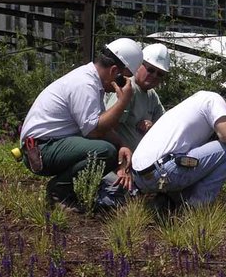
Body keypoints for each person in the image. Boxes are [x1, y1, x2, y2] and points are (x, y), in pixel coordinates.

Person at [19, 38, 143, 207]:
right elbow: (95, 131)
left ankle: (71, 189)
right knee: (105, 151)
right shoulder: (85, 84)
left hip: (48, 145)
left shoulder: (91, 81)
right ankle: (59, 191)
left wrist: (122, 144)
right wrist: (123, 101)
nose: (124, 85)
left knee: (110, 149)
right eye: (124, 80)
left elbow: (101, 126)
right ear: (115, 71)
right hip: (41, 149)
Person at [131, 75, 226, 207]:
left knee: (224, 152)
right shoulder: (214, 101)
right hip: (162, 171)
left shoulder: (200, 100)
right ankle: (195, 207)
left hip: (141, 176)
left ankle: (171, 202)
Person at [97, 43, 170, 206]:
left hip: (138, 166)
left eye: (160, 74)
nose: (154, 76)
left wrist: (152, 127)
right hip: (120, 165)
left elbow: (165, 128)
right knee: (110, 198)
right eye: (150, 69)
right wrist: (122, 166)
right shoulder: (128, 87)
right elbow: (107, 129)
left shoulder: (152, 96)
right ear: (139, 65)